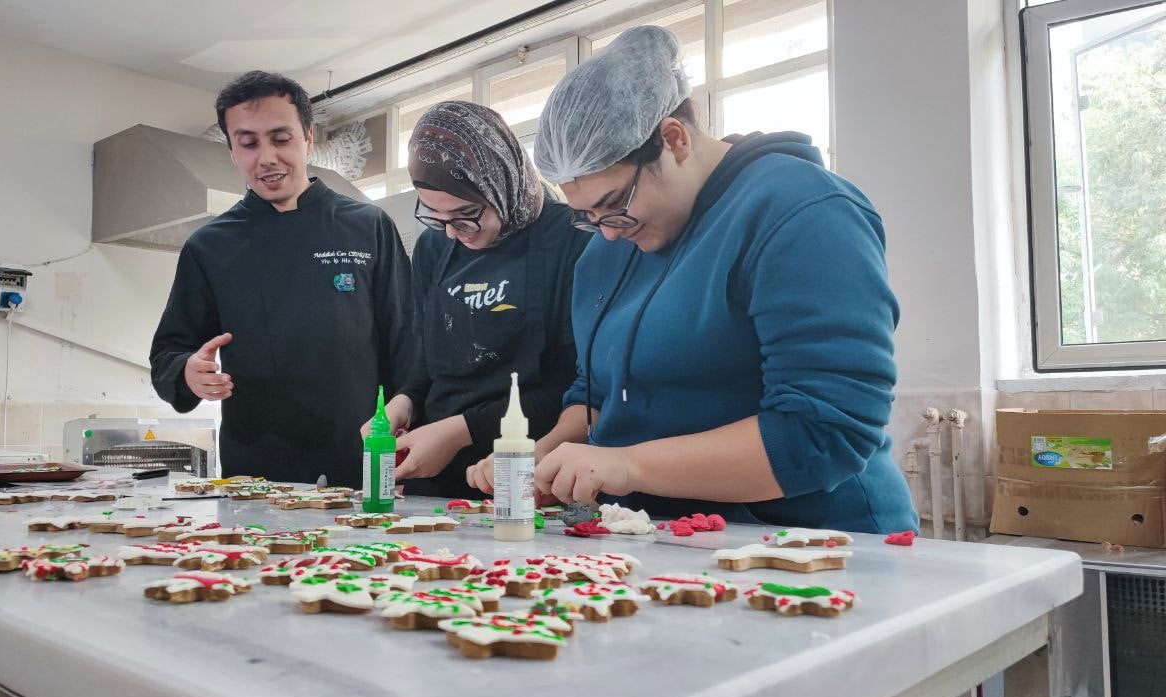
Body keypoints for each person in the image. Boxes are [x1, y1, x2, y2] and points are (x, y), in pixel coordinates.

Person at [468, 27, 917, 533]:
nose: (607, 233)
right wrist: (540, 459)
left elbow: (824, 431)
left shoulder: (799, 212)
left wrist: (629, 464)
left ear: (674, 139)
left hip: (815, 542)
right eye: (586, 215)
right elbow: (594, 397)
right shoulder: (604, 254)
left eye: (614, 205)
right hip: (670, 537)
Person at [151, 71, 412, 486]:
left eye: (281, 138)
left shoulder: (367, 226)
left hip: (362, 467)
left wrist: (407, 437)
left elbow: (407, 343)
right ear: (233, 152)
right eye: (248, 143)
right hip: (256, 475)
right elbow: (168, 353)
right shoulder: (210, 245)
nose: (266, 157)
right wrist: (187, 372)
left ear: (308, 138)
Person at [365, 101, 589, 498]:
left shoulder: (571, 236)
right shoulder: (434, 247)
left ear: (502, 180)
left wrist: (460, 431)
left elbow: (574, 385)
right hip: (435, 473)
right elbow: (427, 364)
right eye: (435, 216)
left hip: (529, 472)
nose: (454, 233)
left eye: (466, 213)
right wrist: (404, 403)